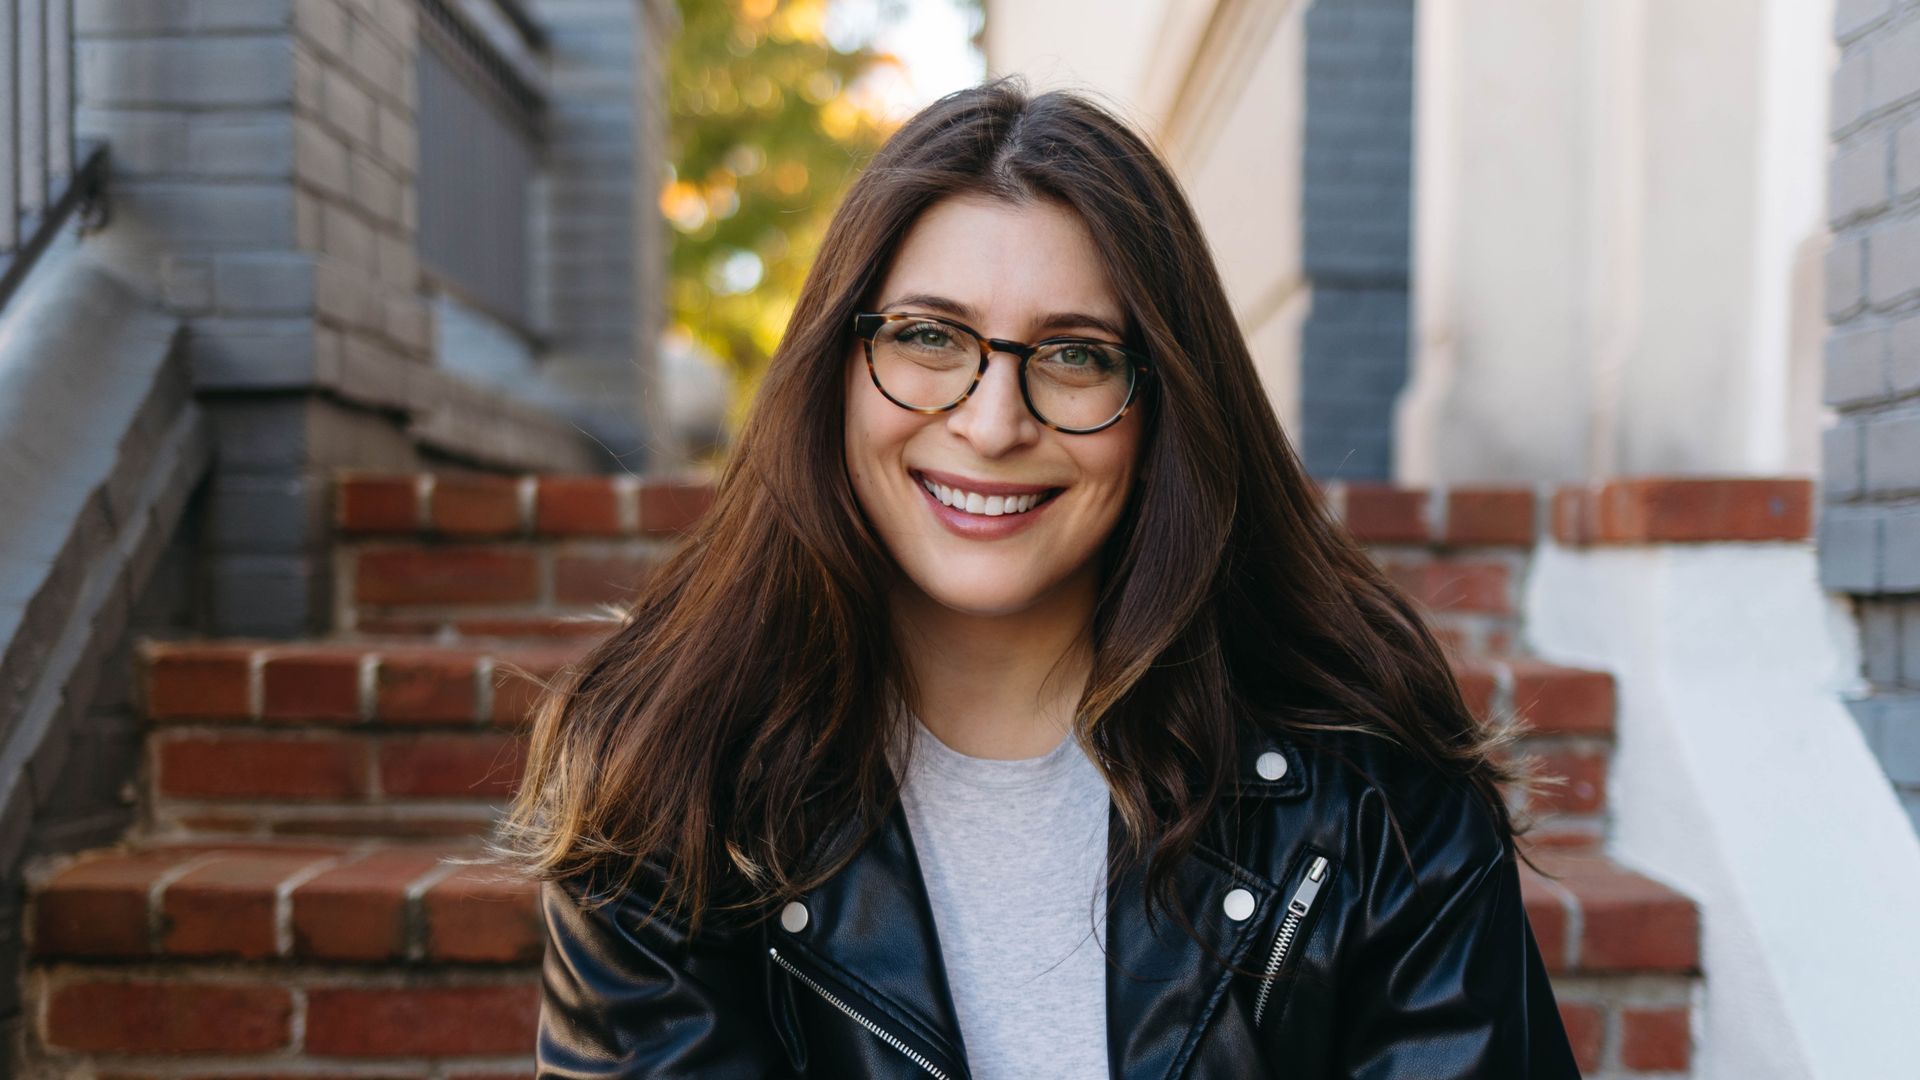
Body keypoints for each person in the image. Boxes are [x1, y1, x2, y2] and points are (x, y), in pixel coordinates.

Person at [502, 75, 1584, 1078]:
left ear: (1164, 406)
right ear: (834, 368)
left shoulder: (1366, 797)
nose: (991, 421)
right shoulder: (671, 780)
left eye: (1074, 354)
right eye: (929, 336)